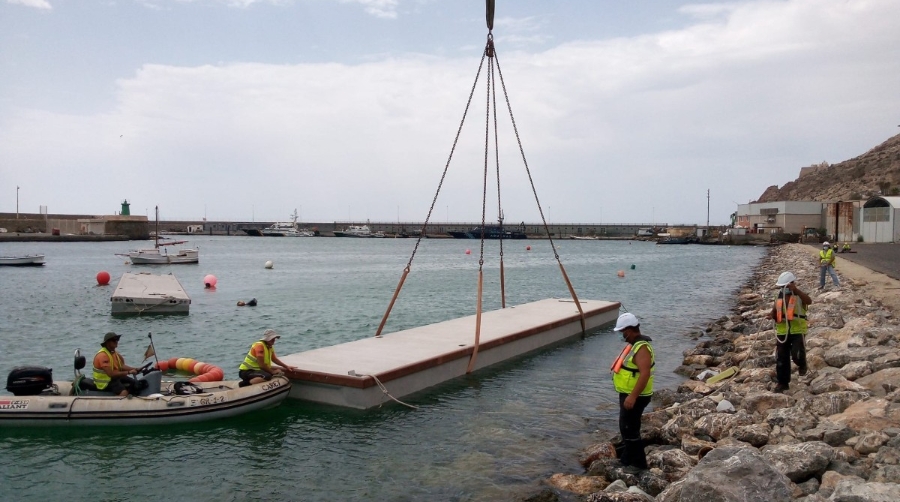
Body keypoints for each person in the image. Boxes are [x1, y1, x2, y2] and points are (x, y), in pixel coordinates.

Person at [610, 313, 655, 471]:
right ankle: (626, 459)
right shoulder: (634, 345)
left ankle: (638, 465)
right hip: (628, 394)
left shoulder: (641, 348)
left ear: (629, 330)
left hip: (636, 396)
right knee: (626, 428)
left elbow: (645, 374)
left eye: (622, 331)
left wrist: (633, 397)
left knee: (630, 429)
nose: (622, 335)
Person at [769, 272, 812, 393]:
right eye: (781, 287)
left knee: (797, 354)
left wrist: (797, 290)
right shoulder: (778, 296)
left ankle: (802, 364)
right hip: (782, 331)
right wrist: (771, 315)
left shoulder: (799, 295)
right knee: (781, 358)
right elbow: (774, 310)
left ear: (792, 284)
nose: (784, 289)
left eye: (786, 286)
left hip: (798, 330)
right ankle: (782, 383)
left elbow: (809, 301)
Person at [92, 331, 140, 396]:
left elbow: (121, 366)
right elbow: (111, 374)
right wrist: (129, 372)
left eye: (117, 339)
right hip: (105, 382)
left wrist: (136, 369)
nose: (116, 341)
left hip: (114, 378)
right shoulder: (103, 356)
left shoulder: (114, 353)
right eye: (114, 340)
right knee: (124, 392)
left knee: (134, 383)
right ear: (107, 342)